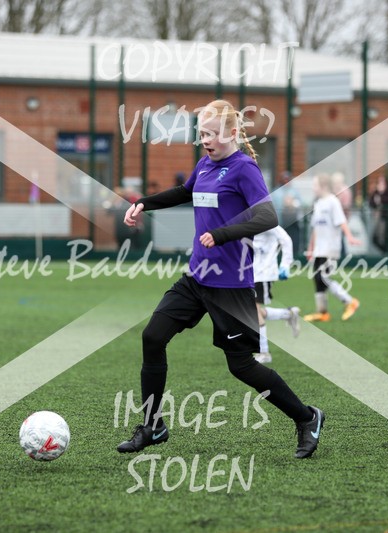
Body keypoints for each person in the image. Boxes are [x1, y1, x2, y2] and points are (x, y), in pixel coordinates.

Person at [119, 99, 324, 457]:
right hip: (197, 278)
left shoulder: (244, 169)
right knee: (152, 337)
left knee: (242, 366)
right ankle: (153, 427)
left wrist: (225, 234)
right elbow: (185, 193)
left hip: (231, 285)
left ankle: (307, 417)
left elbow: (268, 218)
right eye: (201, 134)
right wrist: (144, 203)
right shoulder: (204, 164)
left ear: (231, 133)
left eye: (212, 134)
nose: (206, 141)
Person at [303, 173, 361, 323]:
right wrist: (311, 247)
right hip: (319, 249)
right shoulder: (318, 203)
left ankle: (350, 301)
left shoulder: (332, 202)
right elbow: (315, 228)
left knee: (323, 277)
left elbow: (341, 221)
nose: (313, 188)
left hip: (330, 248)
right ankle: (322, 312)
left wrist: (349, 237)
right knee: (317, 279)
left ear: (323, 186)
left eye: (315, 185)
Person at [252, 225, 300, 364]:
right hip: (250, 273)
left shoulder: (266, 219)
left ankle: (264, 352)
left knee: (253, 310)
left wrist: (285, 265)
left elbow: (286, 239)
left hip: (264, 274)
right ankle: (289, 314)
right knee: (254, 310)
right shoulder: (245, 217)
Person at [271, 171, 304, 256]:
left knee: (293, 243)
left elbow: (300, 205)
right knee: (280, 244)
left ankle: (295, 259)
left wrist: (292, 203)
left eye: (287, 179)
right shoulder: (275, 192)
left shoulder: (294, 191)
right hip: (280, 223)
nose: (286, 181)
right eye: (284, 179)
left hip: (293, 223)